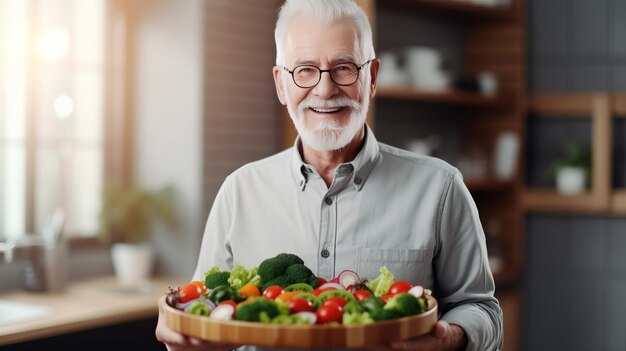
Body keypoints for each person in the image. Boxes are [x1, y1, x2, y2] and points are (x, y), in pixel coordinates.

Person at [156, 0, 503, 350]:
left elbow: (482, 309)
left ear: (372, 78)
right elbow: (201, 306)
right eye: (305, 70)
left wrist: (451, 339)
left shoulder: (440, 188)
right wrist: (181, 334)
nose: (325, 90)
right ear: (281, 84)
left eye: (344, 67)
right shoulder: (238, 191)